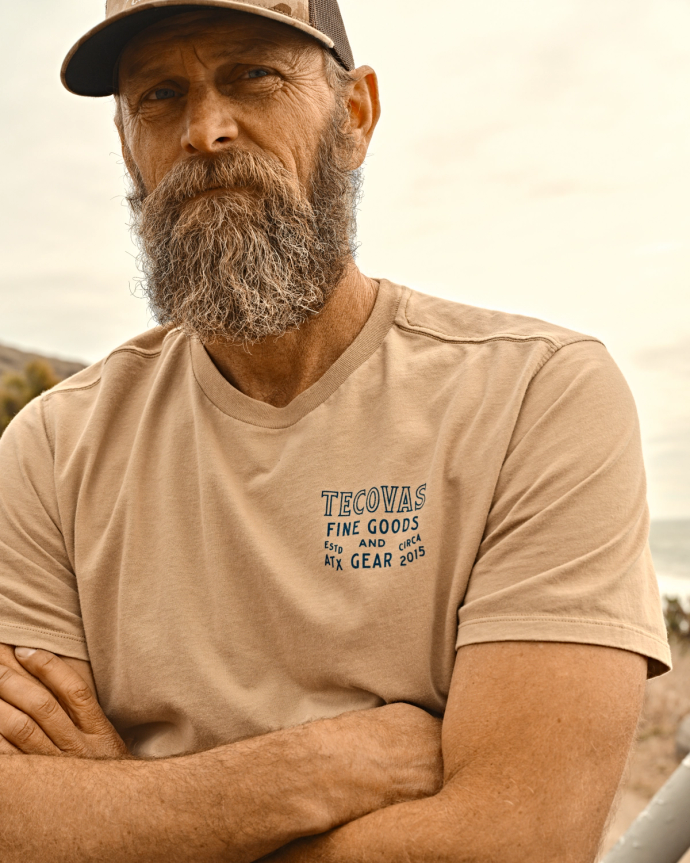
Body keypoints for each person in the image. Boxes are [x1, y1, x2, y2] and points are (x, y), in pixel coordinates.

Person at [0, 1, 671, 860]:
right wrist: (310, 771)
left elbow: (516, 838)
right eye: (159, 96)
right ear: (129, 147)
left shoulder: (535, 396)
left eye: (253, 76)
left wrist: (119, 813)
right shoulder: (53, 448)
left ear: (355, 115)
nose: (205, 131)